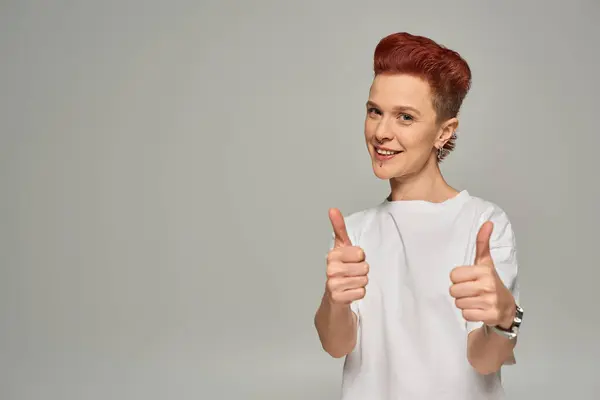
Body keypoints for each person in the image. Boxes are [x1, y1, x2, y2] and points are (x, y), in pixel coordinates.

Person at [314, 32, 523, 400]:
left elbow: (486, 360)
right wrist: (335, 299)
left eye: (405, 117)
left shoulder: (483, 224)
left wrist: (504, 319)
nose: (381, 132)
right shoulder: (356, 231)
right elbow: (336, 344)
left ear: (444, 132)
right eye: (374, 111)